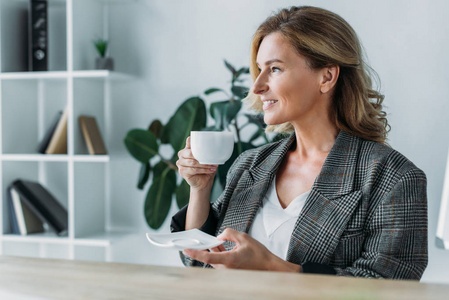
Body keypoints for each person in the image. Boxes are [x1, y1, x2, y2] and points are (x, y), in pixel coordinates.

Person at [172, 6, 428, 279]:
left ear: (326, 77)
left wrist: (273, 267)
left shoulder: (394, 178)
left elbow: (391, 288)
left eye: (275, 69)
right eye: (259, 69)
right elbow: (199, 264)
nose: (257, 86)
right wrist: (200, 189)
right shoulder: (250, 164)